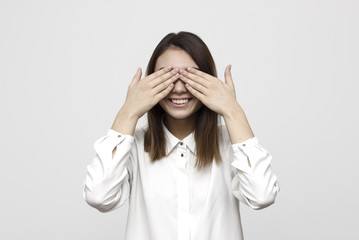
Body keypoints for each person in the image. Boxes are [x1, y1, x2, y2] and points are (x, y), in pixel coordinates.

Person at [83, 31, 280, 240]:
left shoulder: (231, 144)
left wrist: (233, 111)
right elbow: (99, 196)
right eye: (166, 77)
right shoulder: (134, 146)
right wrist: (128, 111)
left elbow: (262, 196)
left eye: (189, 76)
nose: (178, 88)